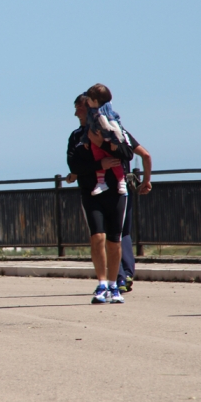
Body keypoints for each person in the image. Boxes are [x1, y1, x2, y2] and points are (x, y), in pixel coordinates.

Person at [67, 89, 134, 304]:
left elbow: (128, 153)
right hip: (91, 192)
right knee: (97, 237)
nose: (78, 112)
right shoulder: (77, 137)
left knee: (114, 241)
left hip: (116, 192)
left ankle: (114, 285)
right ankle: (102, 283)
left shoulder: (111, 127)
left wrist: (103, 146)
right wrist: (99, 164)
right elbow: (74, 165)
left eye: (80, 107)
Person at [117, 141, 152, 293]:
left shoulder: (94, 134)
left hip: (106, 189)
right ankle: (128, 273)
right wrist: (146, 180)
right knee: (124, 232)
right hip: (125, 187)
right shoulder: (122, 134)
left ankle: (119, 277)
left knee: (108, 235)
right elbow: (146, 154)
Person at [83, 84, 129, 196]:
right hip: (95, 140)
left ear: (95, 100)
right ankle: (101, 182)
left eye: (88, 99)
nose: (86, 102)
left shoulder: (106, 112)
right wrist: (85, 139)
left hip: (108, 139)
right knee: (98, 158)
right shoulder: (91, 112)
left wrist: (114, 141)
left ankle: (121, 182)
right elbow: (88, 126)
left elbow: (115, 127)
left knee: (114, 161)